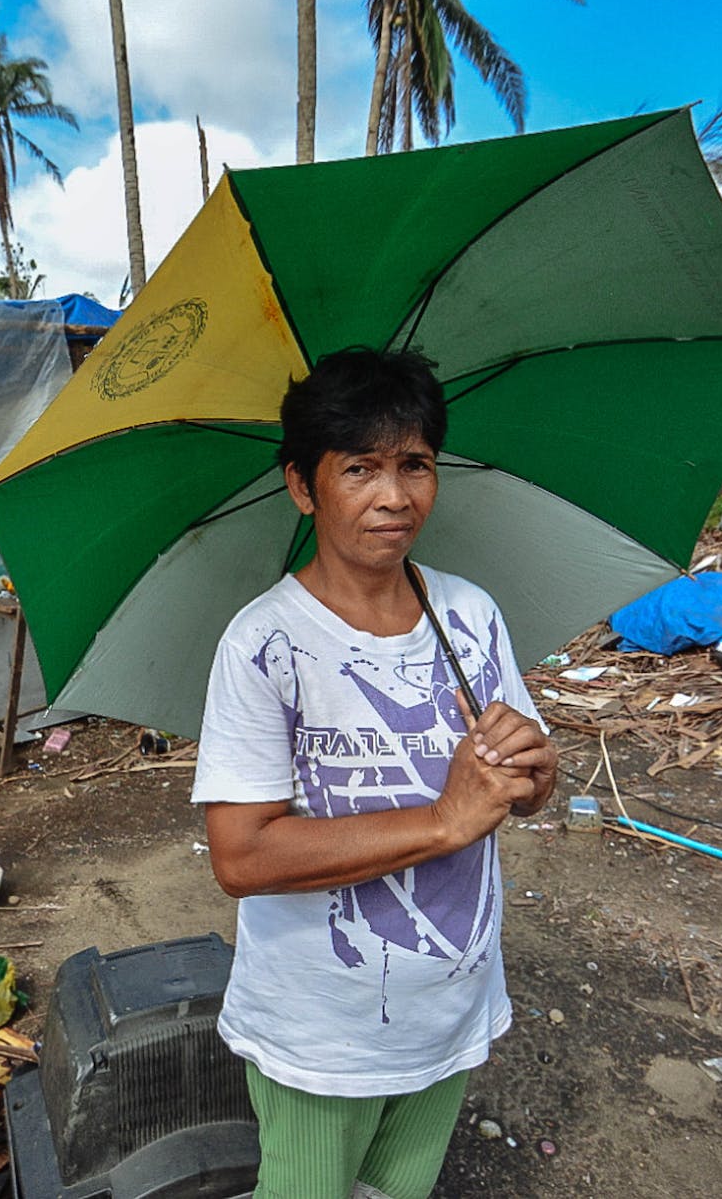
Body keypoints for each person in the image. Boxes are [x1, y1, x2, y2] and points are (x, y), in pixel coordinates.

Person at [193, 347, 557, 1199]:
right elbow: (240, 858)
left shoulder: (469, 613)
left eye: (415, 465)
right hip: (324, 1030)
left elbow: (526, 790)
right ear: (301, 485)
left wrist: (535, 771)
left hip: (450, 1007)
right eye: (360, 468)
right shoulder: (263, 644)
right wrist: (443, 820)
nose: (395, 497)